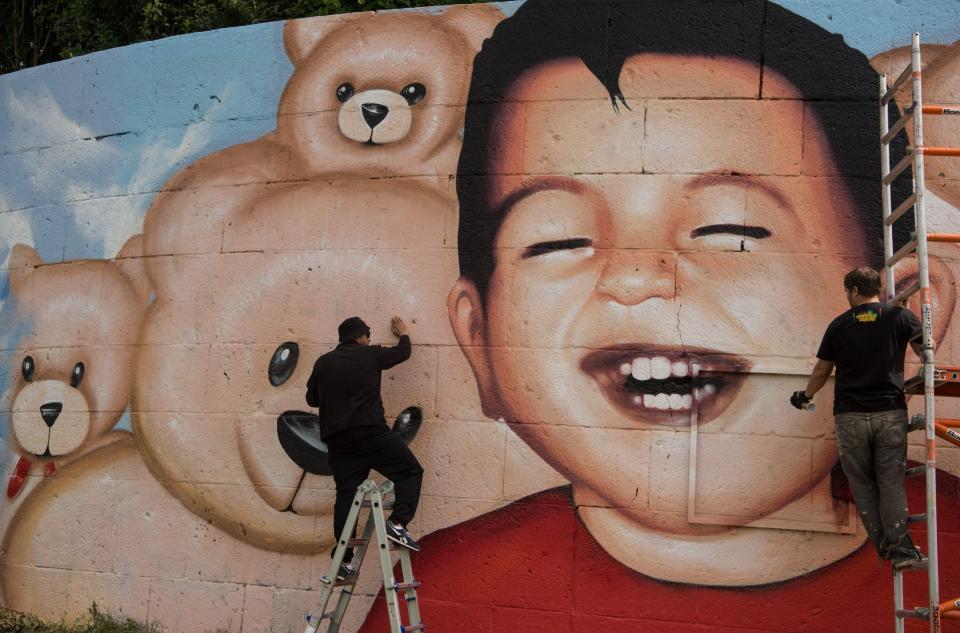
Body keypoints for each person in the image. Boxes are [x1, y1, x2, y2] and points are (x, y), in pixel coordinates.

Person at [356, 0, 960, 630]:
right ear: (478, 341)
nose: (636, 276)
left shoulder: (946, 559)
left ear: (905, 319)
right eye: (557, 240)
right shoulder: (444, 594)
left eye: (732, 229)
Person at [791, 267, 925, 569]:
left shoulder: (839, 326)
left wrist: (807, 396)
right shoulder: (899, 317)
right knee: (890, 481)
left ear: (853, 290)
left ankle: (887, 550)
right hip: (889, 413)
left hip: (850, 417)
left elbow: (822, 370)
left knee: (863, 486)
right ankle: (900, 549)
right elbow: (923, 349)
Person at [305, 315, 424, 580]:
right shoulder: (370, 355)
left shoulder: (323, 363)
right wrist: (403, 333)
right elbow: (403, 353)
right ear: (360, 336)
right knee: (410, 471)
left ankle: (344, 563)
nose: (369, 340)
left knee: (346, 497)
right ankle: (397, 523)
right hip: (371, 434)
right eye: (368, 336)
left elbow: (312, 398)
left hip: (339, 442)